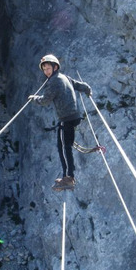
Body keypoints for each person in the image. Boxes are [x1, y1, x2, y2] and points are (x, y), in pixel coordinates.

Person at [29, 54, 92, 190]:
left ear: (55, 67)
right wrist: (87, 88)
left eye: (48, 68)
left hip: (66, 118)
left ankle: (69, 177)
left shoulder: (54, 81)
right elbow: (78, 85)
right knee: (62, 146)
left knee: (64, 147)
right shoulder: (65, 77)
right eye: (44, 69)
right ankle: (66, 176)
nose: (46, 71)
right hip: (73, 116)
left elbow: (45, 100)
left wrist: (34, 98)